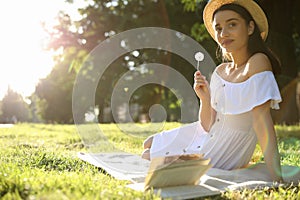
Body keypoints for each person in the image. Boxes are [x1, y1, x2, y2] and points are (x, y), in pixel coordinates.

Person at [141, 0, 283, 182]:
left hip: (221, 150)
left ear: (250, 28)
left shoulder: (258, 62)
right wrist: (204, 98)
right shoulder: (220, 71)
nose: (223, 33)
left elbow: (262, 121)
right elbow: (208, 124)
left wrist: (277, 177)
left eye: (232, 24)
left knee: (148, 157)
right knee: (148, 145)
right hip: (206, 136)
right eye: (219, 28)